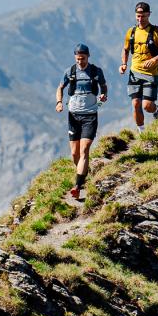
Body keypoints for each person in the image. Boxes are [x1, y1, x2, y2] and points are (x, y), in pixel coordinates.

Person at [56, 43, 108, 201]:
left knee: (84, 150)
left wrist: (103, 97)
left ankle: (77, 186)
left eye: (83, 59)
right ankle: (83, 173)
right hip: (73, 116)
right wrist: (59, 102)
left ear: (88, 56)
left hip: (90, 115)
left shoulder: (95, 71)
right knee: (74, 153)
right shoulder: (70, 71)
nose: (80, 62)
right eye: (78, 59)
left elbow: (104, 87)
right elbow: (60, 88)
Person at [120, 0, 158, 128]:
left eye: (143, 16)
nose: (140, 18)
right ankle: (142, 132)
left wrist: (154, 59)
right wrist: (124, 64)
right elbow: (125, 50)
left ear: (149, 14)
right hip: (134, 73)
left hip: (150, 74)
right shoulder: (131, 32)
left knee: (147, 106)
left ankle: (156, 110)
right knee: (136, 103)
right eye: (138, 15)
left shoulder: (156, 32)